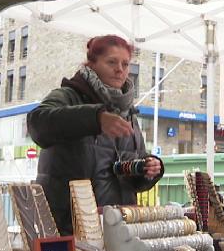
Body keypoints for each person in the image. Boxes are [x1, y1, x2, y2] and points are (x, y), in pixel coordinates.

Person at [27, 35, 163, 235]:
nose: (120, 69)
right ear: (92, 64)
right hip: (70, 228)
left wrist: (148, 169)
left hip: (117, 230)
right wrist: (95, 118)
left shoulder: (128, 112)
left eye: (125, 64)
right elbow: (37, 123)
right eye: (111, 62)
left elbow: (130, 177)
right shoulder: (68, 96)